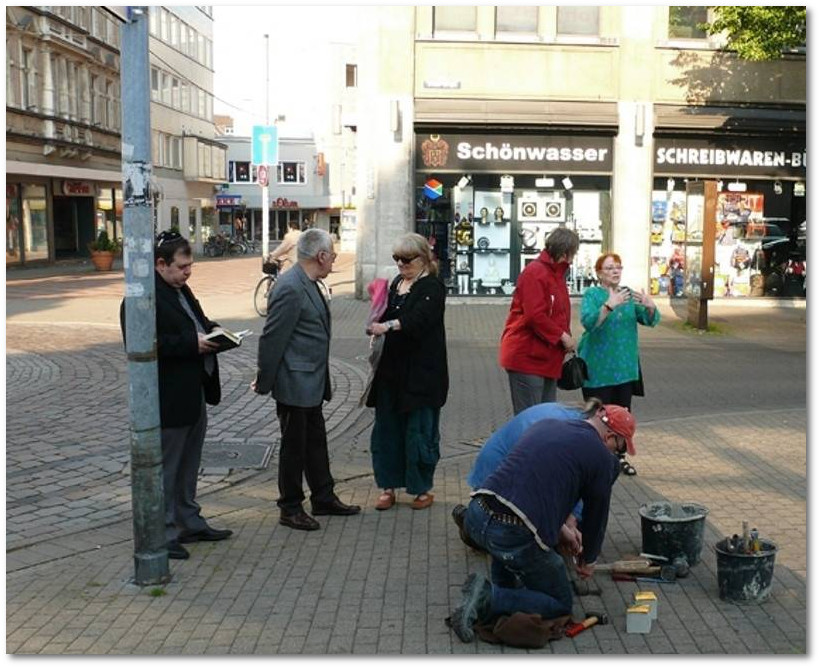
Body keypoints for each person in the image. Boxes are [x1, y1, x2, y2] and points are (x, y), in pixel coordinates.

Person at [449, 404, 636, 643]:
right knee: (560, 604)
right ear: (610, 437)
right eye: (619, 449)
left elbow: (529, 490)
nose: (616, 455)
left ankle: (499, 592)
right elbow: (596, 515)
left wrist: (563, 531)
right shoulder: (601, 457)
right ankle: (486, 596)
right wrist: (588, 559)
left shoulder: (548, 425)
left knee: (510, 554)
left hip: (477, 515)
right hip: (511, 531)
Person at [119, 230, 233, 560]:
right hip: (168, 398)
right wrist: (190, 344)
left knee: (189, 463)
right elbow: (139, 346)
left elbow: (196, 321)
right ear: (160, 264)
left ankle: (189, 521)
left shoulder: (180, 288)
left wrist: (217, 332)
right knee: (167, 467)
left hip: (194, 390)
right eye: (182, 266)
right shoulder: (141, 297)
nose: (188, 273)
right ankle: (163, 532)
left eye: (190, 266)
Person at [253, 229, 361, 530]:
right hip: (294, 382)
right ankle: (289, 507)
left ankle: (323, 497)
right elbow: (272, 338)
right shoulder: (290, 286)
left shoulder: (310, 282)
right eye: (333, 255)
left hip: (309, 381)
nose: (334, 261)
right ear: (321, 256)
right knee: (294, 447)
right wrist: (264, 380)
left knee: (315, 441)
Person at [365, 233, 449, 511]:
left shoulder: (433, 287)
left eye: (406, 259)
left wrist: (388, 326)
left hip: (422, 374)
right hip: (392, 370)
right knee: (386, 430)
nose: (400, 264)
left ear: (423, 259)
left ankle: (420, 488)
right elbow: (387, 314)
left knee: (419, 432)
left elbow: (419, 320)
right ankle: (387, 486)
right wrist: (376, 309)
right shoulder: (397, 283)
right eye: (396, 259)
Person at [577, 253, 659, 476]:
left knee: (622, 416)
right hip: (598, 369)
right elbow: (589, 323)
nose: (615, 271)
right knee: (597, 416)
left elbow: (650, 319)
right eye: (609, 268)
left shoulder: (628, 295)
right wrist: (608, 306)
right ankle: (594, 460)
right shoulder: (593, 294)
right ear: (599, 273)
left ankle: (618, 459)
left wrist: (650, 307)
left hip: (624, 369)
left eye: (618, 267)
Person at [498, 227, 580, 415]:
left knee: (544, 417)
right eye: (573, 253)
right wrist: (562, 336)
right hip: (528, 357)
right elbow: (535, 315)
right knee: (530, 419)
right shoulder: (535, 273)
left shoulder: (555, 274)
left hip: (546, 357)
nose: (573, 258)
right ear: (565, 253)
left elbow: (557, 313)